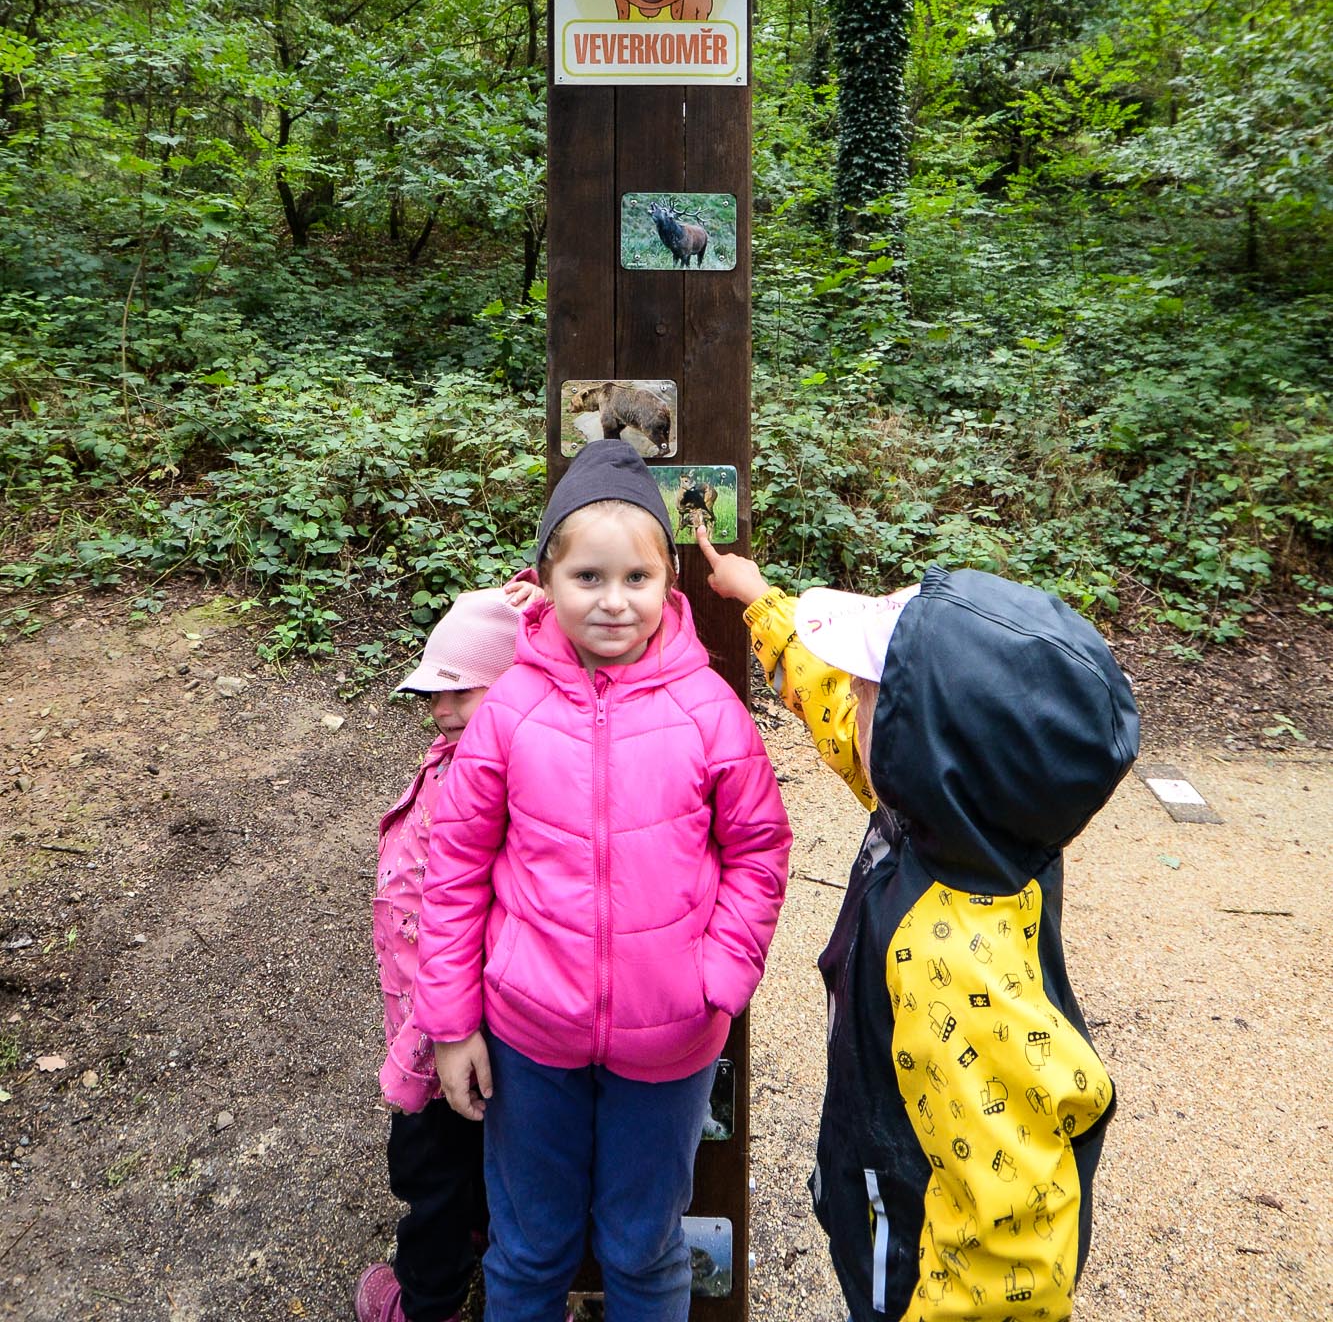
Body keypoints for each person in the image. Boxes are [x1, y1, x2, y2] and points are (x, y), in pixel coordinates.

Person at [695, 528, 1140, 1322]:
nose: (852, 698)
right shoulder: (973, 824)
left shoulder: (954, 958)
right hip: (879, 1188)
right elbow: (840, 714)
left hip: (908, 1255)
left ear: (925, 753)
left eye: (878, 695)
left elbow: (1009, 1234)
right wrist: (762, 606)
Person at [414, 441, 792, 1322]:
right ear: (547, 581)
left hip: (669, 1039)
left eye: (637, 577)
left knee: (642, 1245)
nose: (614, 601)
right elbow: (456, 869)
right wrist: (451, 1022)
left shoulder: (709, 708)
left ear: (669, 583)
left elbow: (760, 848)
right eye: (588, 577)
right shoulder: (509, 708)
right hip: (527, 1034)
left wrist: (720, 979)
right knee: (531, 1246)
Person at [355, 586, 526, 1322]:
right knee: (468, 1157)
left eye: (459, 692)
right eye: (432, 692)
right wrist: (521, 600)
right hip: (426, 998)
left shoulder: (491, 776)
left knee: (431, 1166)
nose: (440, 708)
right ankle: (481, 1245)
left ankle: (426, 1301)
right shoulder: (461, 745)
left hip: (451, 1014)